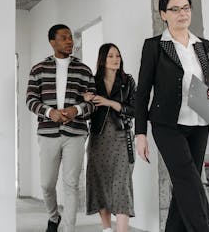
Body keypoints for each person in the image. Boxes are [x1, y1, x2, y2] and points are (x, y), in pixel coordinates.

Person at [134, 0, 209, 232]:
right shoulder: (155, 46)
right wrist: (140, 133)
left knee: (186, 186)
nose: (182, 13)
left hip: (200, 122)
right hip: (167, 125)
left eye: (186, 8)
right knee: (191, 184)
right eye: (175, 9)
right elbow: (142, 92)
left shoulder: (203, 45)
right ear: (164, 14)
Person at [26, 24, 97, 232]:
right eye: (64, 38)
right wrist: (50, 112)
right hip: (48, 133)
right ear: (52, 42)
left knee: (71, 184)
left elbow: (93, 102)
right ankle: (53, 216)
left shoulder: (83, 70)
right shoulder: (38, 69)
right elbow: (30, 100)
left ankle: (68, 229)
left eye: (70, 38)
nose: (69, 42)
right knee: (47, 184)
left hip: (75, 133)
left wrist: (77, 109)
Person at [83, 43, 137, 232]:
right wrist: (86, 100)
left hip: (122, 137)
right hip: (98, 139)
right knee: (100, 183)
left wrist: (109, 103)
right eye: (111, 56)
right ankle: (106, 229)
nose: (116, 59)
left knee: (122, 185)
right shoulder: (92, 82)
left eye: (118, 56)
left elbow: (134, 110)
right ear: (102, 60)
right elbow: (86, 113)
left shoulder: (127, 81)